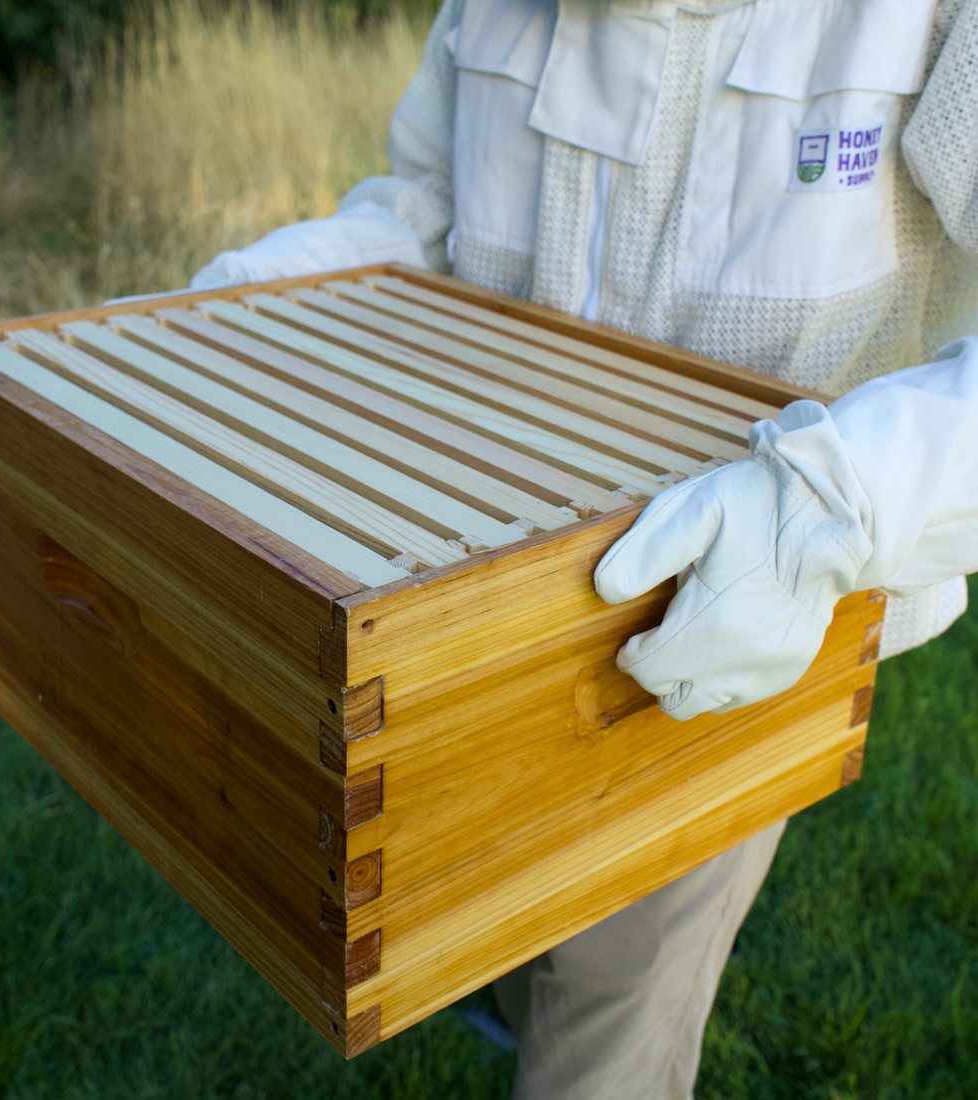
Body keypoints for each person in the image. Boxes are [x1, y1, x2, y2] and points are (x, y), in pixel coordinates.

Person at [191, 1, 978, 1095]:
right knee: (492, 906)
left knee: (606, 1010)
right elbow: (426, 214)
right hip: (472, 599)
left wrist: (824, 516)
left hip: (717, 646)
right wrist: (268, 294)